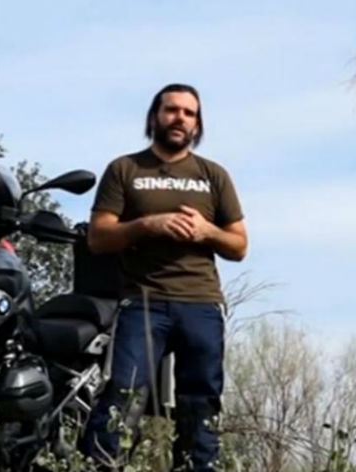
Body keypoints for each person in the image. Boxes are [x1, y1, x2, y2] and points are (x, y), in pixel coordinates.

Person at [79, 83, 247, 471]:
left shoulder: (213, 175)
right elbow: (98, 238)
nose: (179, 119)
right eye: (172, 110)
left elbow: (239, 246)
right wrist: (147, 224)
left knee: (201, 400)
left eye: (189, 113)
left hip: (201, 303)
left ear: (197, 124)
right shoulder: (125, 169)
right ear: (154, 116)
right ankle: (102, 465)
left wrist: (207, 231)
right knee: (123, 393)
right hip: (142, 301)